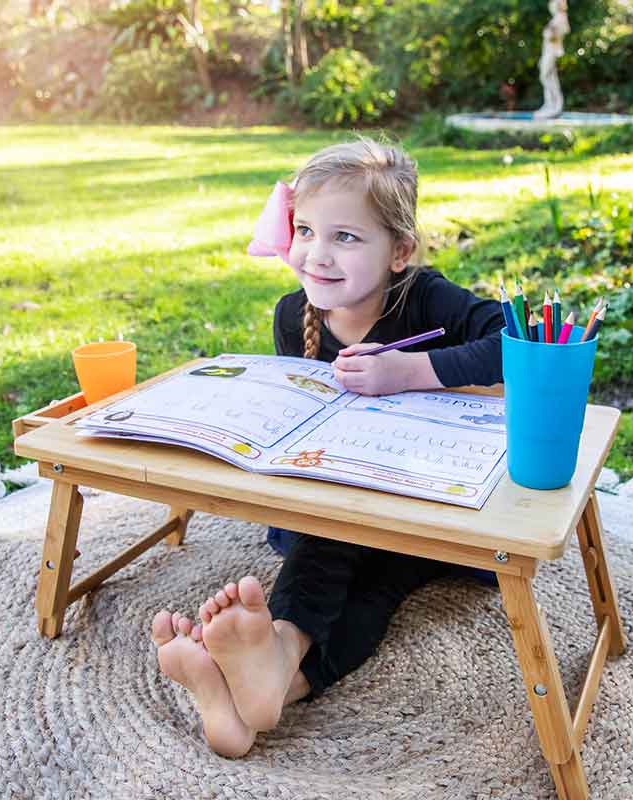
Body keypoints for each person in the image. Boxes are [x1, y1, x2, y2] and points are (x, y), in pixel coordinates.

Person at [148, 136, 507, 757]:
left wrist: (408, 371)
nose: (318, 253)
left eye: (346, 237)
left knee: (359, 550)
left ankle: (277, 659)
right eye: (306, 230)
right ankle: (272, 684)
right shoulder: (295, 315)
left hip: (436, 496)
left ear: (399, 251)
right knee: (350, 553)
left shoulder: (425, 297)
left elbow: (516, 339)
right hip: (344, 497)